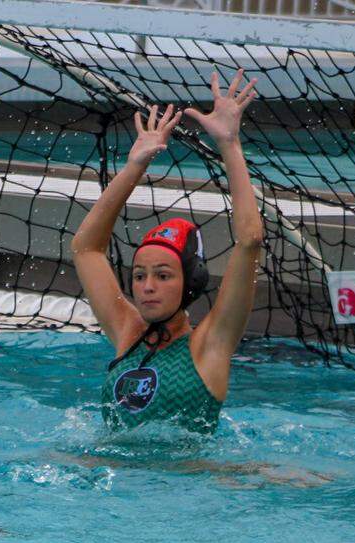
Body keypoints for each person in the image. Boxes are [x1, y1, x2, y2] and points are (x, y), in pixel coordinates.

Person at [72, 69, 263, 433]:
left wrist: (229, 145)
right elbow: (86, 249)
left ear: (190, 282)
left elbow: (250, 241)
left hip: (191, 480)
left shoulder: (210, 345)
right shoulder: (127, 333)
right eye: (140, 275)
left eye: (163, 275)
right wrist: (134, 167)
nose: (147, 286)